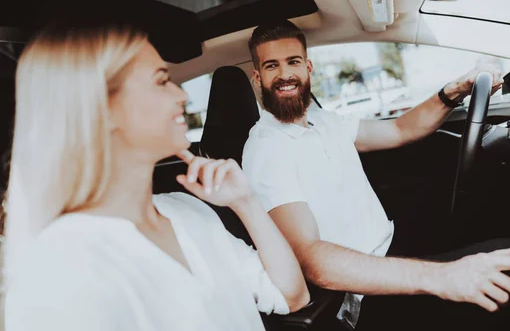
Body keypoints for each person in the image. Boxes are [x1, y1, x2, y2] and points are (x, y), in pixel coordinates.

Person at [242, 20, 510, 330]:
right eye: (272, 66)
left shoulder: (323, 121)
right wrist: (441, 277)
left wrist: (456, 90)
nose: (284, 75)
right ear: (258, 77)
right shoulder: (266, 149)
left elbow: (399, 129)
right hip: (362, 292)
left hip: (392, 241)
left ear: (308, 67)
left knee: (501, 221)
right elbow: (313, 260)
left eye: (292, 62)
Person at [3, 22, 310, 331]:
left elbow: (291, 296)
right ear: (103, 108)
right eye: (162, 81)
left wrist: (246, 203)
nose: (181, 96)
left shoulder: (187, 210)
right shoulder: (62, 265)